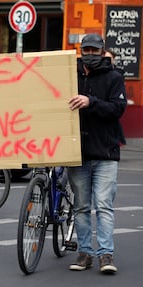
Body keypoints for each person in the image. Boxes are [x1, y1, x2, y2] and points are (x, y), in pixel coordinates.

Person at [67, 34, 127, 274]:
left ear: (102, 52)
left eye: (94, 50)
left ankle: (105, 255)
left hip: (105, 153)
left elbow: (118, 108)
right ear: (81, 50)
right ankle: (84, 254)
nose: (90, 53)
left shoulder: (114, 77)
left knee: (103, 206)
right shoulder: (71, 76)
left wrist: (91, 102)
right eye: (86, 49)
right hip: (77, 153)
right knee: (81, 207)